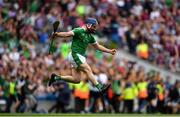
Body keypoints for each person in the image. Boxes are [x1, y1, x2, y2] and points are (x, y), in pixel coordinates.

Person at [48, 18, 117, 93]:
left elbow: (98, 46)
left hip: (80, 56)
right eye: (94, 26)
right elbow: (67, 34)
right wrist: (58, 34)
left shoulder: (90, 36)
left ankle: (56, 78)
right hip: (75, 54)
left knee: (76, 80)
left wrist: (109, 51)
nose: (95, 29)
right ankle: (100, 87)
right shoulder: (79, 30)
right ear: (88, 25)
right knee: (88, 69)